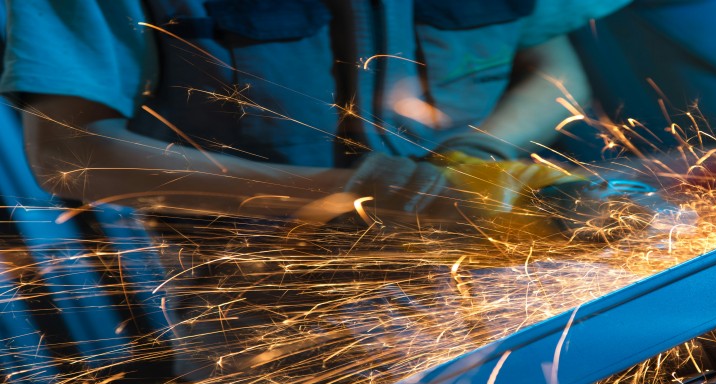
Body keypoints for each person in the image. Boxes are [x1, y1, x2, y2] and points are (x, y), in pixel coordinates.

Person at [3, 0, 630, 227]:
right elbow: (71, 153)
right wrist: (351, 193)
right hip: (272, 320)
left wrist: (481, 153)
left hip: (508, 289)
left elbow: (554, 67)